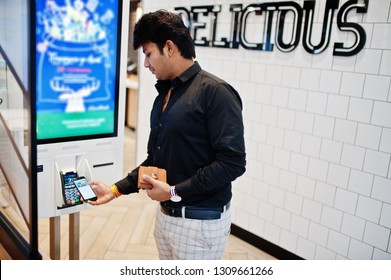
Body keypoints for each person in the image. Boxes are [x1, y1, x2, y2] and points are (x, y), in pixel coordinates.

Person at [89, 9, 246, 260]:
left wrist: (173, 191)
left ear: (170, 47)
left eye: (148, 54)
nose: (146, 64)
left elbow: (232, 163)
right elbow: (155, 159)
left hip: (199, 226)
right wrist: (115, 190)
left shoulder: (216, 93)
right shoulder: (165, 95)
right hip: (166, 219)